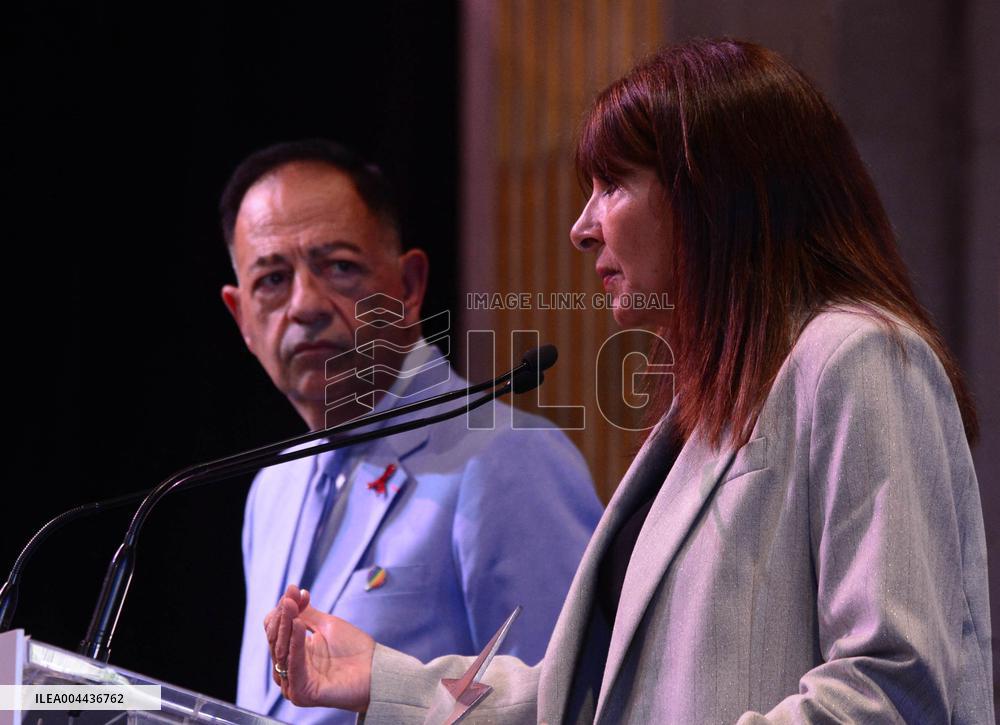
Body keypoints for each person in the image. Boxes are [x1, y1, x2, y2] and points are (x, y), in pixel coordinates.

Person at [262, 40, 994, 723]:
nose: (582, 228)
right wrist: (381, 675)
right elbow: (574, 695)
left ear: (714, 194)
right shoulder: (705, 414)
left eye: (613, 185)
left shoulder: (856, 355)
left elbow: (893, 682)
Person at [219, 139, 603, 724]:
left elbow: (577, 702)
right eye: (271, 279)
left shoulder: (505, 457)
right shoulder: (272, 488)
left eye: (339, 267)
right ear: (240, 316)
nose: (303, 305)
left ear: (408, 287)